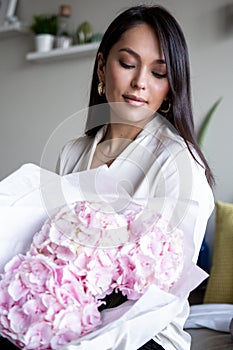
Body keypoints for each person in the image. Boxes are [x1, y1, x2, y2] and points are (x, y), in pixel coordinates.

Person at [56, 5, 215, 350]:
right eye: (127, 64)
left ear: (171, 88)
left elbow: (163, 296)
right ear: (102, 66)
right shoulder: (71, 153)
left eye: (159, 73)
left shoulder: (179, 164)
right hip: (70, 319)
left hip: (145, 332)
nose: (140, 82)